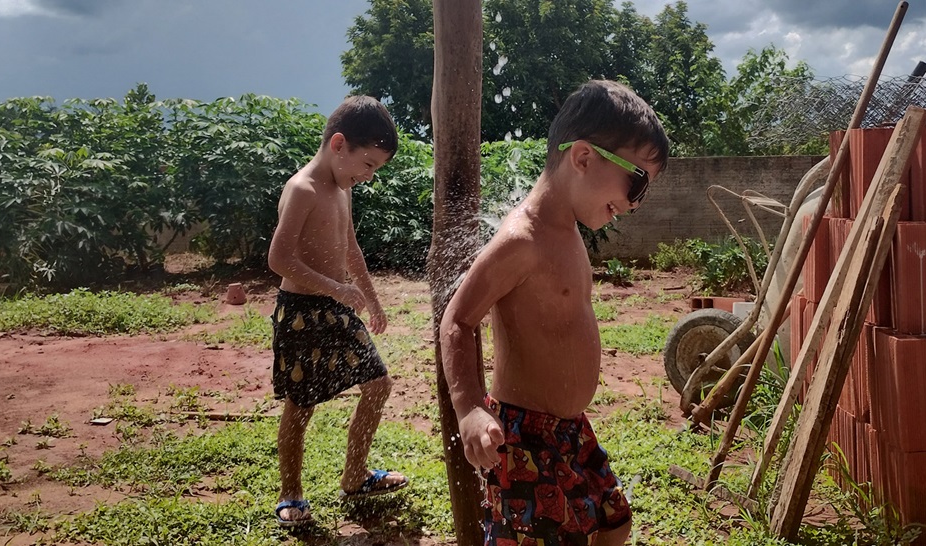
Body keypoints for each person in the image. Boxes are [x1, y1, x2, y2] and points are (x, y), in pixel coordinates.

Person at [440, 80, 669, 545]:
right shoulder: (522, 240)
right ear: (583, 157)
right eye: (637, 182)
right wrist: (468, 410)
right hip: (524, 436)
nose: (634, 204)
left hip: (570, 430)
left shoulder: (567, 230)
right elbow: (458, 320)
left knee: (613, 523)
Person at [267, 95, 408, 527]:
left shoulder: (342, 190)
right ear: (339, 144)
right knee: (301, 405)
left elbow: (351, 250)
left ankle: (355, 475)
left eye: (376, 169)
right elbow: (279, 258)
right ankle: (291, 493)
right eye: (368, 165)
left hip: (336, 307)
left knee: (378, 384)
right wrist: (334, 287)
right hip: (302, 312)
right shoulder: (303, 189)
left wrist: (374, 300)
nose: (368, 176)